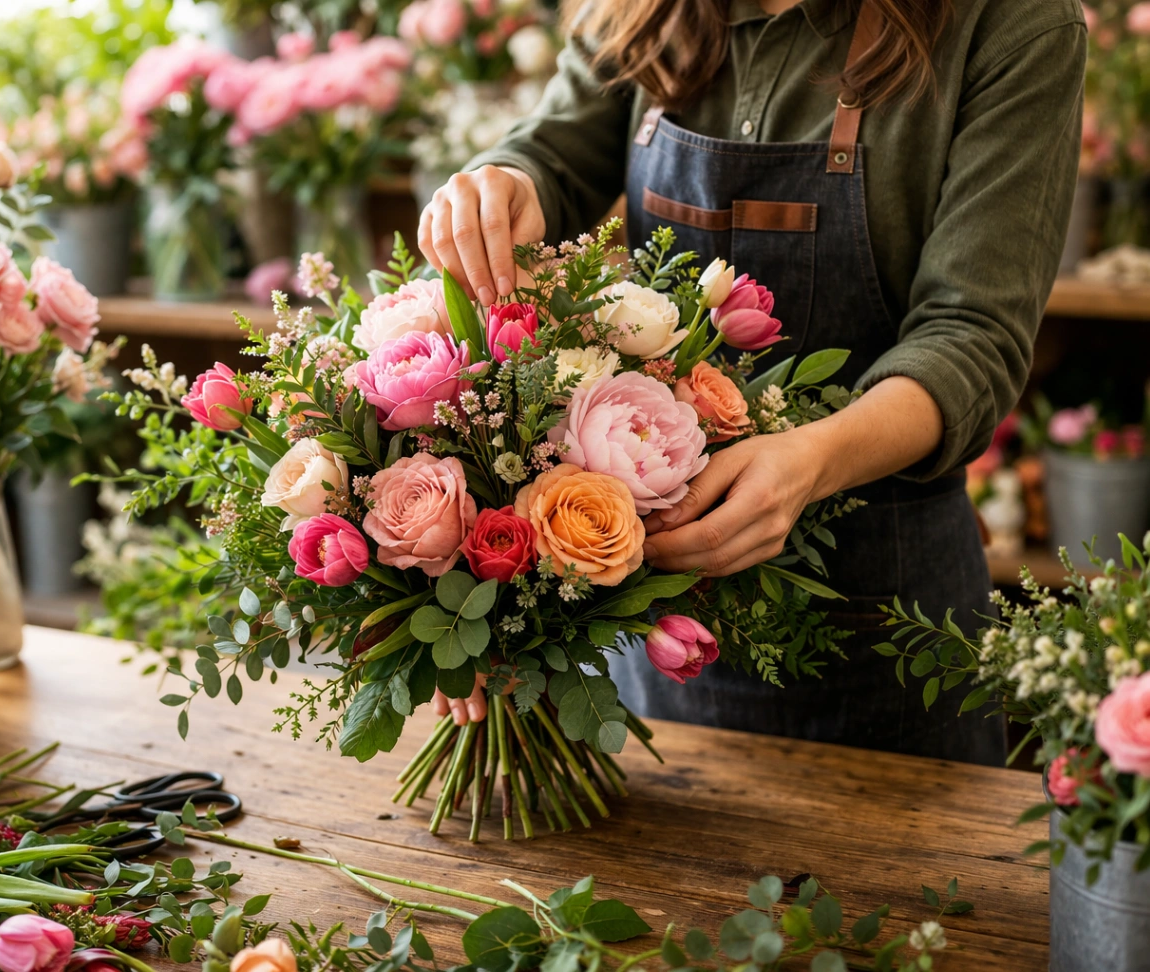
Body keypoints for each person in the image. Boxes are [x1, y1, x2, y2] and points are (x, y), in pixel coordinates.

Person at [420, 0, 1086, 765]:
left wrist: (813, 460)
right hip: (659, 611)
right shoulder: (640, 11)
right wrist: (503, 185)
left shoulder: (1012, 24)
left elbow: (973, 336)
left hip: (888, 621)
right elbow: (554, 155)